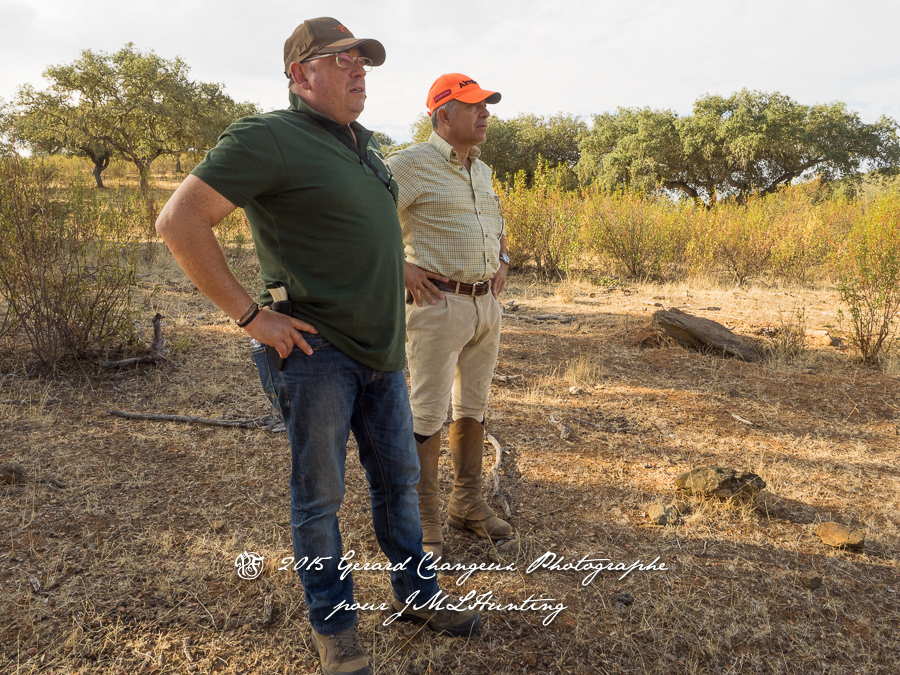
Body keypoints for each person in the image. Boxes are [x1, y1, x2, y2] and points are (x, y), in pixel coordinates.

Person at [155, 19, 479, 675]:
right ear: (300, 74)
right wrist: (251, 317)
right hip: (316, 353)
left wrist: (398, 269)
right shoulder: (268, 136)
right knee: (320, 497)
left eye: (363, 61)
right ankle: (334, 627)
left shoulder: (365, 144)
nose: (359, 70)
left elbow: (357, 231)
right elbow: (179, 220)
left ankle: (417, 595)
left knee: (399, 482)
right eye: (341, 60)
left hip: (383, 350)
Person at [385, 74, 513, 561]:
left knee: (473, 406)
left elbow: (495, 221)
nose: (485, 114)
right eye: (474, 106)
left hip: (485, 306)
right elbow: (365, 221)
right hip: (437, 305)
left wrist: (503, 259)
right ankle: (424, 517)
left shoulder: (482, 169)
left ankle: (466, 503)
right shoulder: (409, 164)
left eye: (486, 106)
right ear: (444, 115)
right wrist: (400, 266)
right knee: (427, 412)